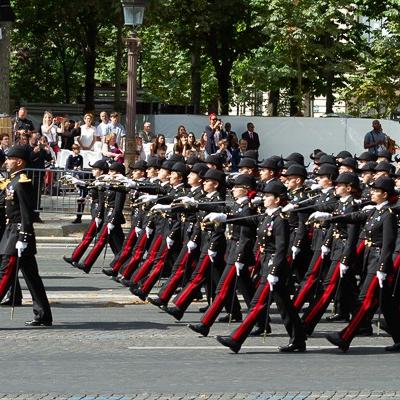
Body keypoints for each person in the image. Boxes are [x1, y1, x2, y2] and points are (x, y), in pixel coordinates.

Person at [0, 145, 52, 326]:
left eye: (9, 159)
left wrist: (23, 237)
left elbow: (26, 213)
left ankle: (43, 314)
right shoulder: (12, 181)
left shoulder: (21, 182)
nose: (6, 162)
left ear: (19, 161)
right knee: (32, 277)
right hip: (12, 232)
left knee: (5, 274)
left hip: (17, 235)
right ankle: (43, 314)